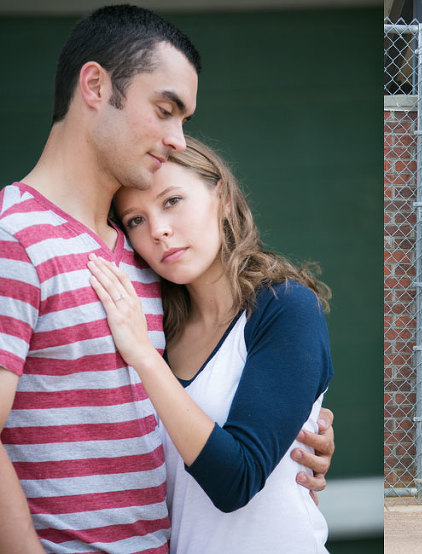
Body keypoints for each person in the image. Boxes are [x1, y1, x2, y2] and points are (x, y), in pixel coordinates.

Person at [0, 6, 332, 553]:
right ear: (95, 85)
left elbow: (210, 433)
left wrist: (297, 431)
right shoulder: (15, 237)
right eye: (165, 109)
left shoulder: (145, 265)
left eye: (185, 119)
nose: (177, 138)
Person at [86, 135, 333, 553]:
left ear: (220, 196)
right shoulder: (153, 324)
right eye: (135, 220)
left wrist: (144, 357)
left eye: (171, 201)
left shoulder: (286, 307)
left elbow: (236, 481)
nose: (159, 231)